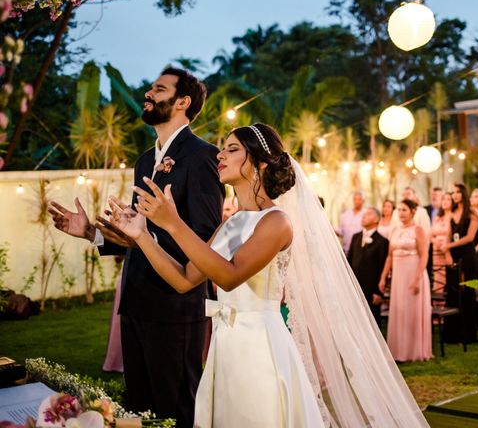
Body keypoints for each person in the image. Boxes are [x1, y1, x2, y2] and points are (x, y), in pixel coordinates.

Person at [108, 123, 428, 427]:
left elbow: (230, 276)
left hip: (260, 347)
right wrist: (142, 236)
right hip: (226, 344)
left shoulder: (276, 222)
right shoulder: (230, 223)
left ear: (259, 163)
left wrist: (173, 224)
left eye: (231, 149)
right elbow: (182, 279)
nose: (219, 155)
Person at [49, 67, 224, 427]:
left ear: (182, 102)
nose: (148, 93)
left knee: (174, 409)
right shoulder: (146, 160)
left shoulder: (202, 156)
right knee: (140, 409)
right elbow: (137, 236)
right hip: (135, 303)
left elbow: (206, 238)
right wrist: (92, 234)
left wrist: (151, 233)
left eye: (158, 89)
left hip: (175, 306)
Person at [379, 199, 432, 362]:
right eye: (399, 210)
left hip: (414, 273)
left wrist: (417, 279)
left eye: (404, 210)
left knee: (412, 311)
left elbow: (424, 255)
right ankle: (398, 350)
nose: (401, 213)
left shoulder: (418, 230)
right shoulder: (394, 231)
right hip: (398, 277)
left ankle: (413, 351)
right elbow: (389, 256)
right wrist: (383, 277)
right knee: (399, 310)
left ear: (412, 211)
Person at [442, 183, 478, 344]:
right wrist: (447, 253)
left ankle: (468, 333)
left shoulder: (472, 213)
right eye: (453, 192)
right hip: (454, 255)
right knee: (453, 292)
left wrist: (448, 246)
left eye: (458, 192)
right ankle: (452, 333)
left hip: (467, 255)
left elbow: (470, 237)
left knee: (466, 292)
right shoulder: (452, 214)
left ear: (463, 194)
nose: (455, 195)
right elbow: (448, 236)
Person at [347, 207, 389, 326]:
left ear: (377, 219)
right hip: (354, 286)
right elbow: (349, 262)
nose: (364, 217)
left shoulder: (382, 241)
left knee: (371, 321)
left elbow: (382, 268)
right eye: (363, 215)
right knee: (354, 319)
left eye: (368, 214)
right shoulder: (356, 237)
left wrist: (378, 293)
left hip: (371, 290)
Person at [430, 192, 453, 296]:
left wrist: (446, 247)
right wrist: (435, 242)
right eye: (443, 199)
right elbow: (430, 234)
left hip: (449, 250)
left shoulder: (454, 217)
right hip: (436, 250)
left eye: (448, 199)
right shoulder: (437, 218)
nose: (445, 201)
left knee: (449, 276)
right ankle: (438, 304)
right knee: (438, 277)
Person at [338, 191, 365, 255]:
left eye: (359, 199)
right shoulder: (345, 214)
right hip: (346, 249)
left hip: (360, 249)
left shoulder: (366, 213)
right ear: (353, 200)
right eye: (355, 199)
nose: (357, 201)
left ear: (363, 201)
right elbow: (341, 231)